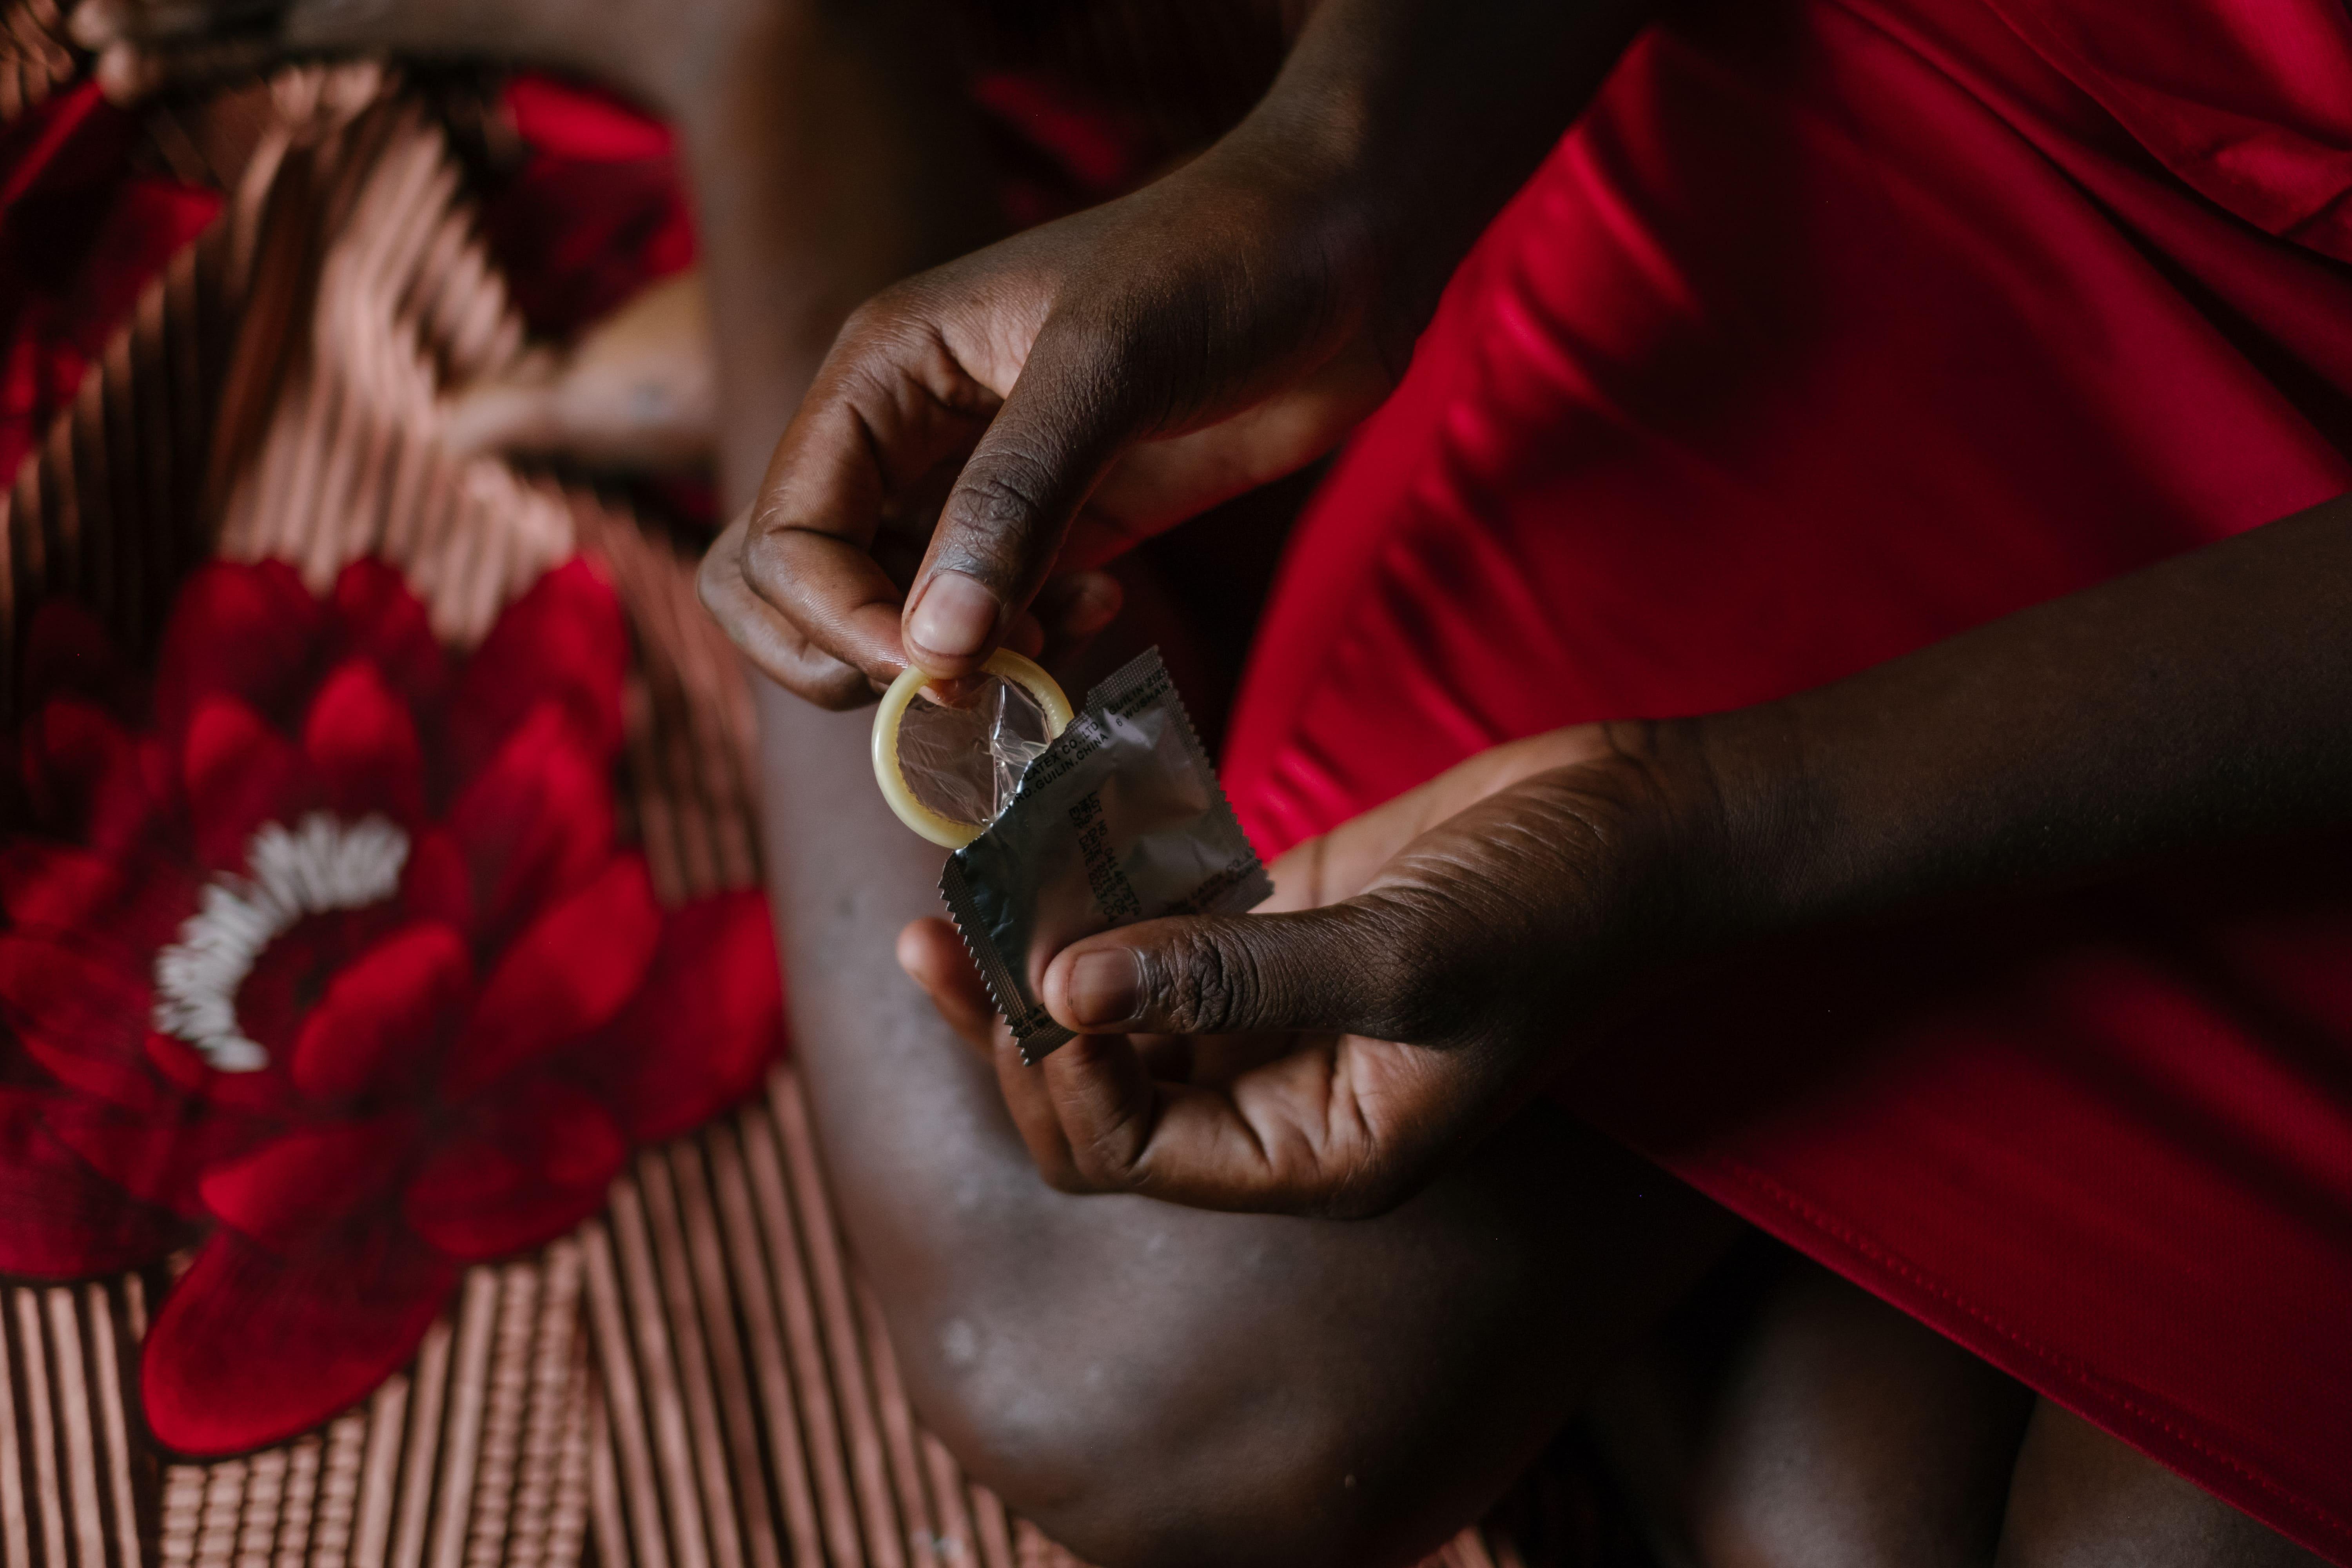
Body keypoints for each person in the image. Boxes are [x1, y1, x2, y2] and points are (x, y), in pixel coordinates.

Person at [82, 0, 2352, 1563]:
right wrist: (1344, 163)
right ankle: (788, 33)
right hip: (1952, 165)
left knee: (1885, 1517)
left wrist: (1721, 832)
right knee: (1136, 1362)